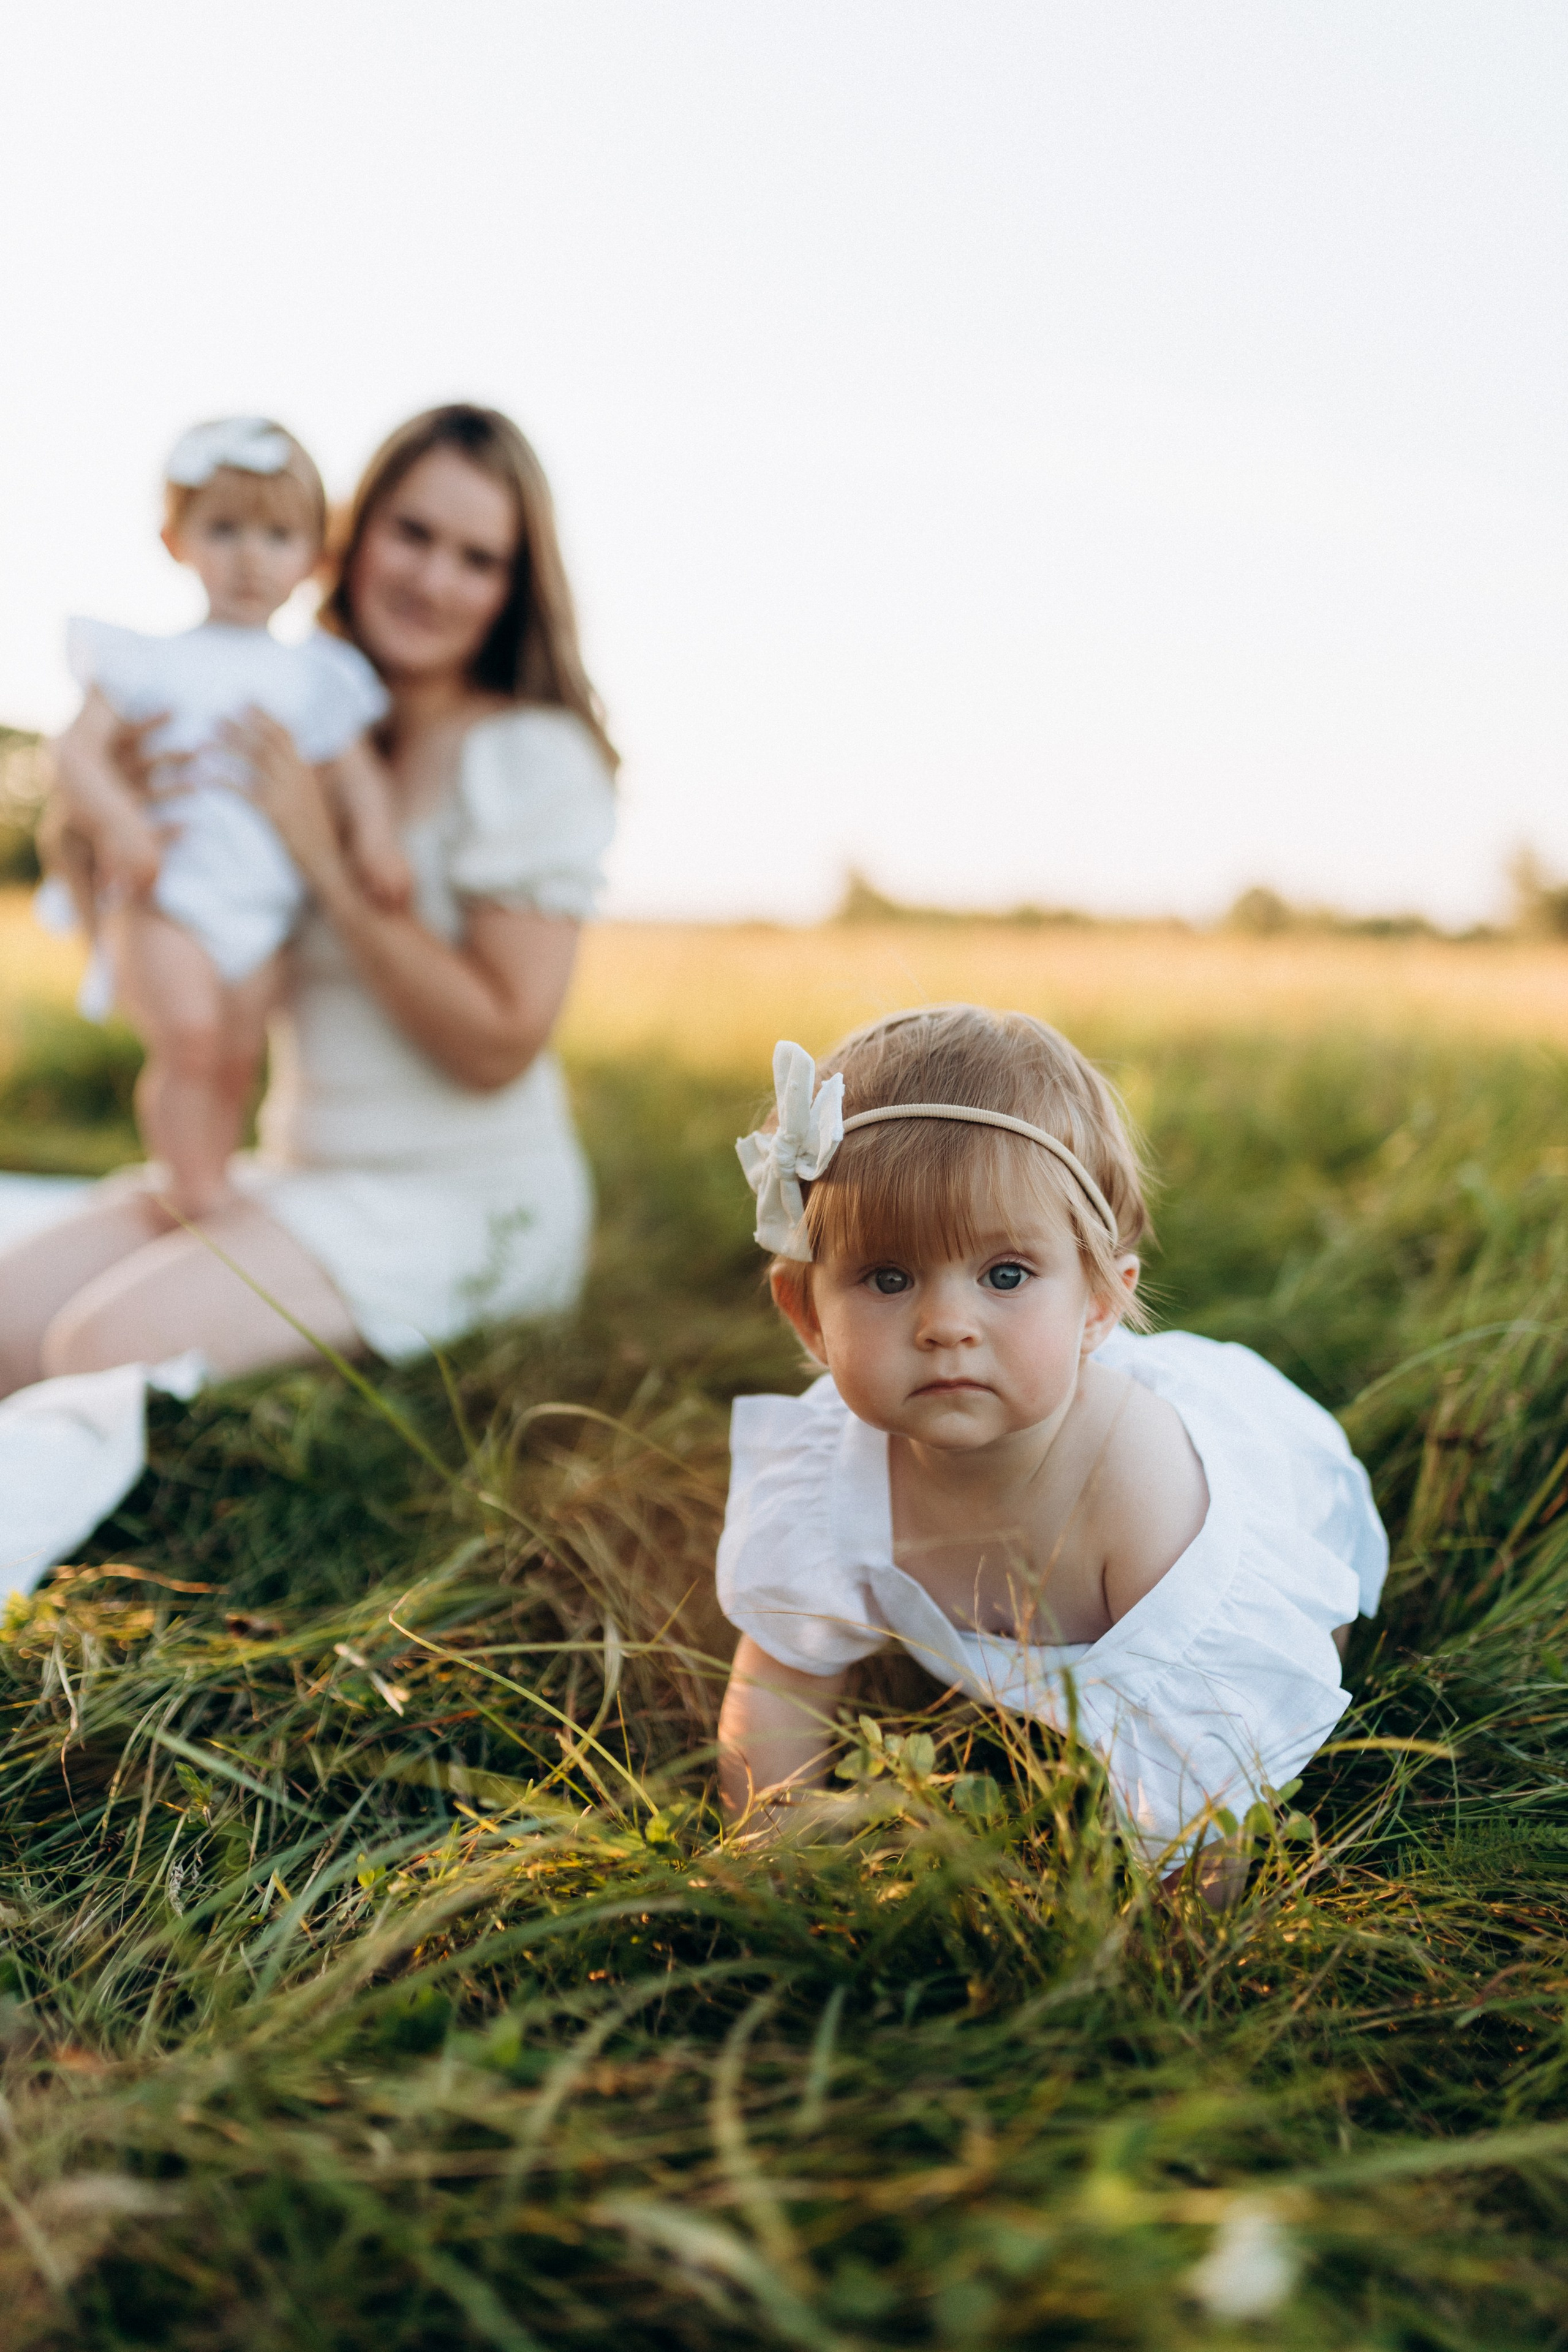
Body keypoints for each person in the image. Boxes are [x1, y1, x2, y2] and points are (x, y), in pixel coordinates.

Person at [0, 404, 617, 1392]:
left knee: (90, 1355)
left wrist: (325, 858)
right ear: (350, 535)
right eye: (411, 534)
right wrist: (109, 835)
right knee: (7, 1324)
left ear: (513, 588)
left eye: (478, 558)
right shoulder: (284, 712)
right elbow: (163, 962)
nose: (431, 579)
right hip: (296, 1171)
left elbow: (500, 1046)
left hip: (457, 1194)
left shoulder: (527, 754)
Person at [714, 1006, 1387, 1889]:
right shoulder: (824, 1479)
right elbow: (778, 1692)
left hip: (1240, 1546)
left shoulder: (1141, 1492)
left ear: (1100, 1303)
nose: (946, 1325)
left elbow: (1213, 1758)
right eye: (888, 1277)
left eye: (1005, 1276)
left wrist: (1183, 1938)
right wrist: (768, 1862)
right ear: (808, 1316)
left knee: (1266, 1668)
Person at [48, 415, 407, 1216]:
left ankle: (208, 1173)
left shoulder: (316, 674)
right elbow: (74, 755)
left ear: (314, 558)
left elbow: (357, 777)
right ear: (176, 540)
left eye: (278, 535)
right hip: (166, 897)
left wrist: (377, 840)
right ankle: (190, 1187)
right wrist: (122, 825)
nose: (250, 556)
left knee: (241, 1055)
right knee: (190, 1040)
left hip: (263, 912)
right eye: (224, 529)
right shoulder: (146, 659)